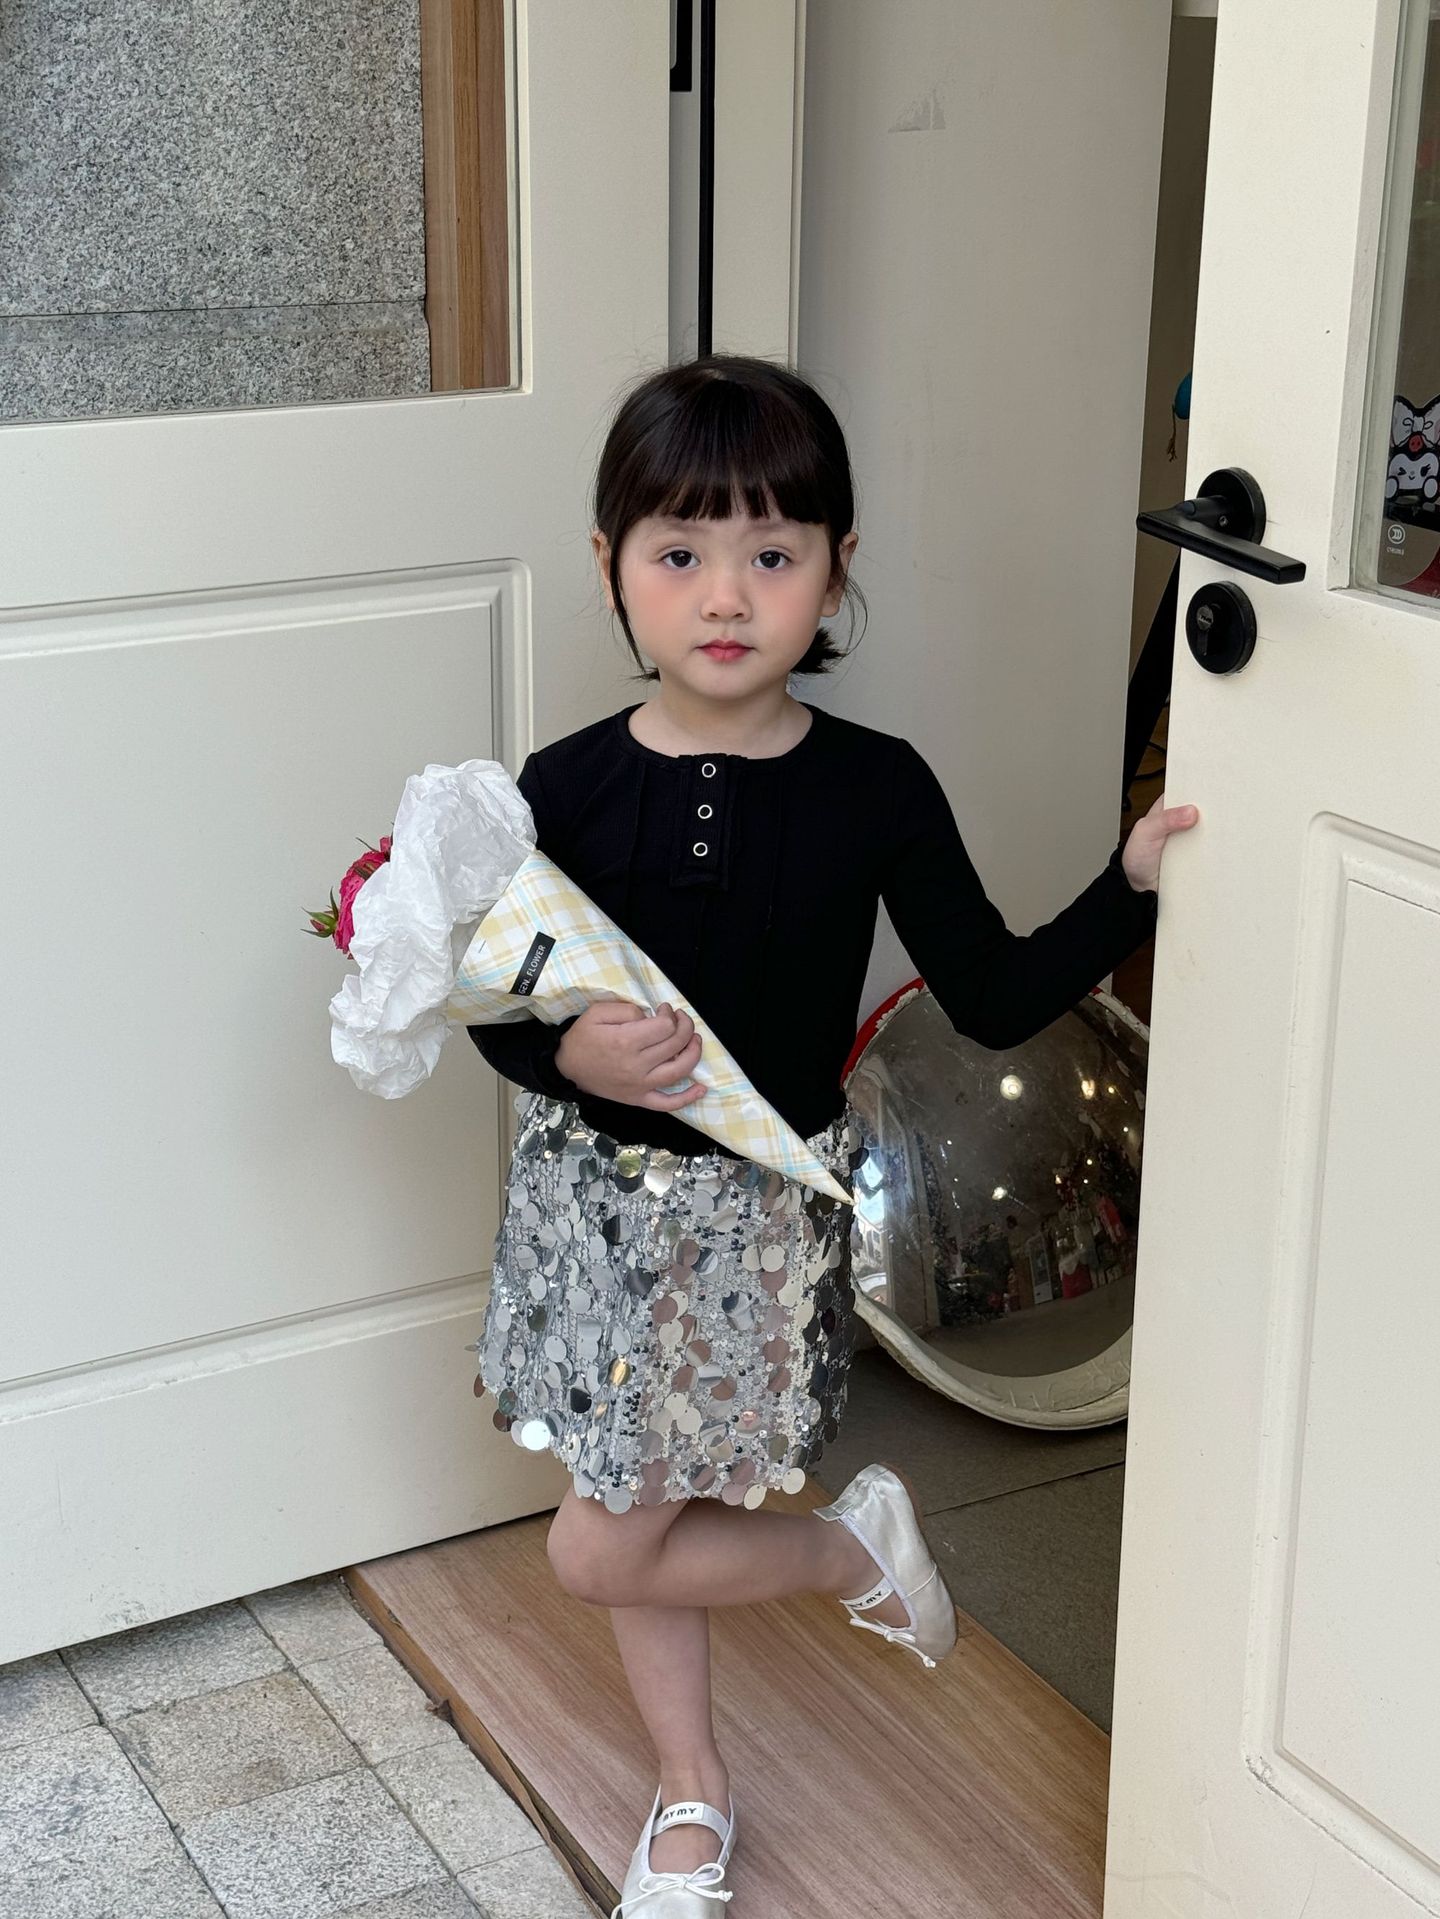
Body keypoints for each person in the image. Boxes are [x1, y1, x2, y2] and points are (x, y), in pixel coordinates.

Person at [468, 353, 1197, 1916]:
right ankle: (697, 1783)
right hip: (592, 1216)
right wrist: (569, 1045)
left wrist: (1127, 886)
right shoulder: (563, 789)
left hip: (752, 1227)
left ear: (837, 566)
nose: (727, 595)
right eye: (680, 552)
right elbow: (498, 1006)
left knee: (609, 1541)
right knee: (629, 1511)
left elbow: (992, 995)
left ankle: (846, 1557)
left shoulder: (876, 788)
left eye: (774, 553)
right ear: (610, 564)